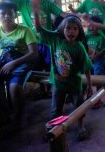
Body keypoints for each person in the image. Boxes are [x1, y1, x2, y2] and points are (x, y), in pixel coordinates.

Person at [33, 13, 92, 141]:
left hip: (74, 84)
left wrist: (89, 85)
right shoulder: (55, 40)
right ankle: (54, 129)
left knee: (79, 106)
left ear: (79, 31)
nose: (71, 31)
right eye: (68, 28)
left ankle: (81, 126)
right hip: (58, 83)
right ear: (62, 29)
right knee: (55, 109)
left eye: (75, 29)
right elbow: (40, 30)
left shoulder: (79, 47)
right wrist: (36, 12)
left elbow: (86, 68)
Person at [1, 0, 68, 71]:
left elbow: (63, 14)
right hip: (30, 44)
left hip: (47, 43)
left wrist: (78, 16)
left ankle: (50, 85)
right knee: (36, 69)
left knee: (51, 68)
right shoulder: (23, 3)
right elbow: (3, 1)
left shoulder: (48, 4)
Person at [0, 1, 38, 127]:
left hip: (23, 62)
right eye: (3, 13)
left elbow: (34, 54)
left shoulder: (25, 31)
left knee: (14, 87)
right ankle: (5, 113)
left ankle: (18, 118)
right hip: (5, 61)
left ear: (15, 15)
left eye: (10, 13)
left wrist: (13, 63)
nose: (6, 16)